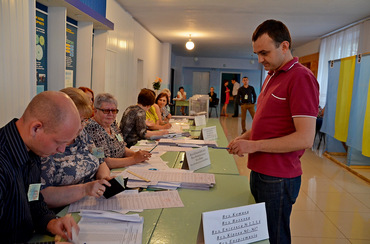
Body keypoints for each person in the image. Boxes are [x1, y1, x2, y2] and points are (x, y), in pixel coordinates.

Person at [228, 19, 319, 244]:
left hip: (278, 178)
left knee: (275, 237)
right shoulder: (272, 76)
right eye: (257, 53)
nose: (260, 60)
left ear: (285, 46)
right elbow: (266, 123)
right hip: (259, 171)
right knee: (260, 236)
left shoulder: (301, 78)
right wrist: (244, 137)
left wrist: (254, 145)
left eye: (265, 53)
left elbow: (305, 138)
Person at [0, 91, 80, 243]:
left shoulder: (34, 151)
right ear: (36, 128)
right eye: (59, 142)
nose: (62, 150)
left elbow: (34, 202)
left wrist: (51, 222)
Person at [40, 88, 111, 210]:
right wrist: (85, 189)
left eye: (84, 120)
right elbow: (43, 195)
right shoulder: (47, 145)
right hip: (63, 211)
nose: (81, 126)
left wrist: (104, 179)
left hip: (92, 203)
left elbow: (100, 159)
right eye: (78, 120)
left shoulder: (82, 133)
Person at [85, 93, 151, 169]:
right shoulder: (92, 129)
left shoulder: (112, 124)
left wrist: (138, 155)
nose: (111, 114)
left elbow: (122, 147)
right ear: (95, 111)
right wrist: (134, 159)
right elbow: (104, 162)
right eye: (106, 111)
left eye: (113, 111)